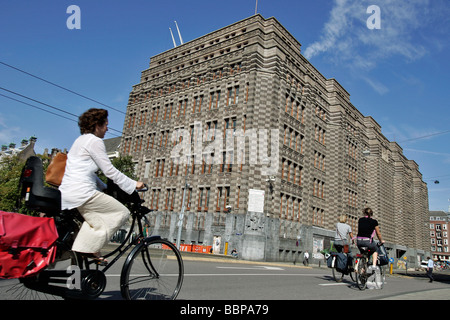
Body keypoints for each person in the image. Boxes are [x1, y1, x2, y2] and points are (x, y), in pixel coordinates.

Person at [59, 108, 145, 263]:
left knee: (96, 222)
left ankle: (84, 263)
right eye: (105, 125)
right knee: (122, 213)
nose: (107, 129)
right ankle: (85, 249)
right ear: (97, 125)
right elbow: (109, 170)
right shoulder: (95, 141)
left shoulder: (79, 141)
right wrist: (134, 184)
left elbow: (88, 173)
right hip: (82, 192)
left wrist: (104, 187)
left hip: (68, 192)